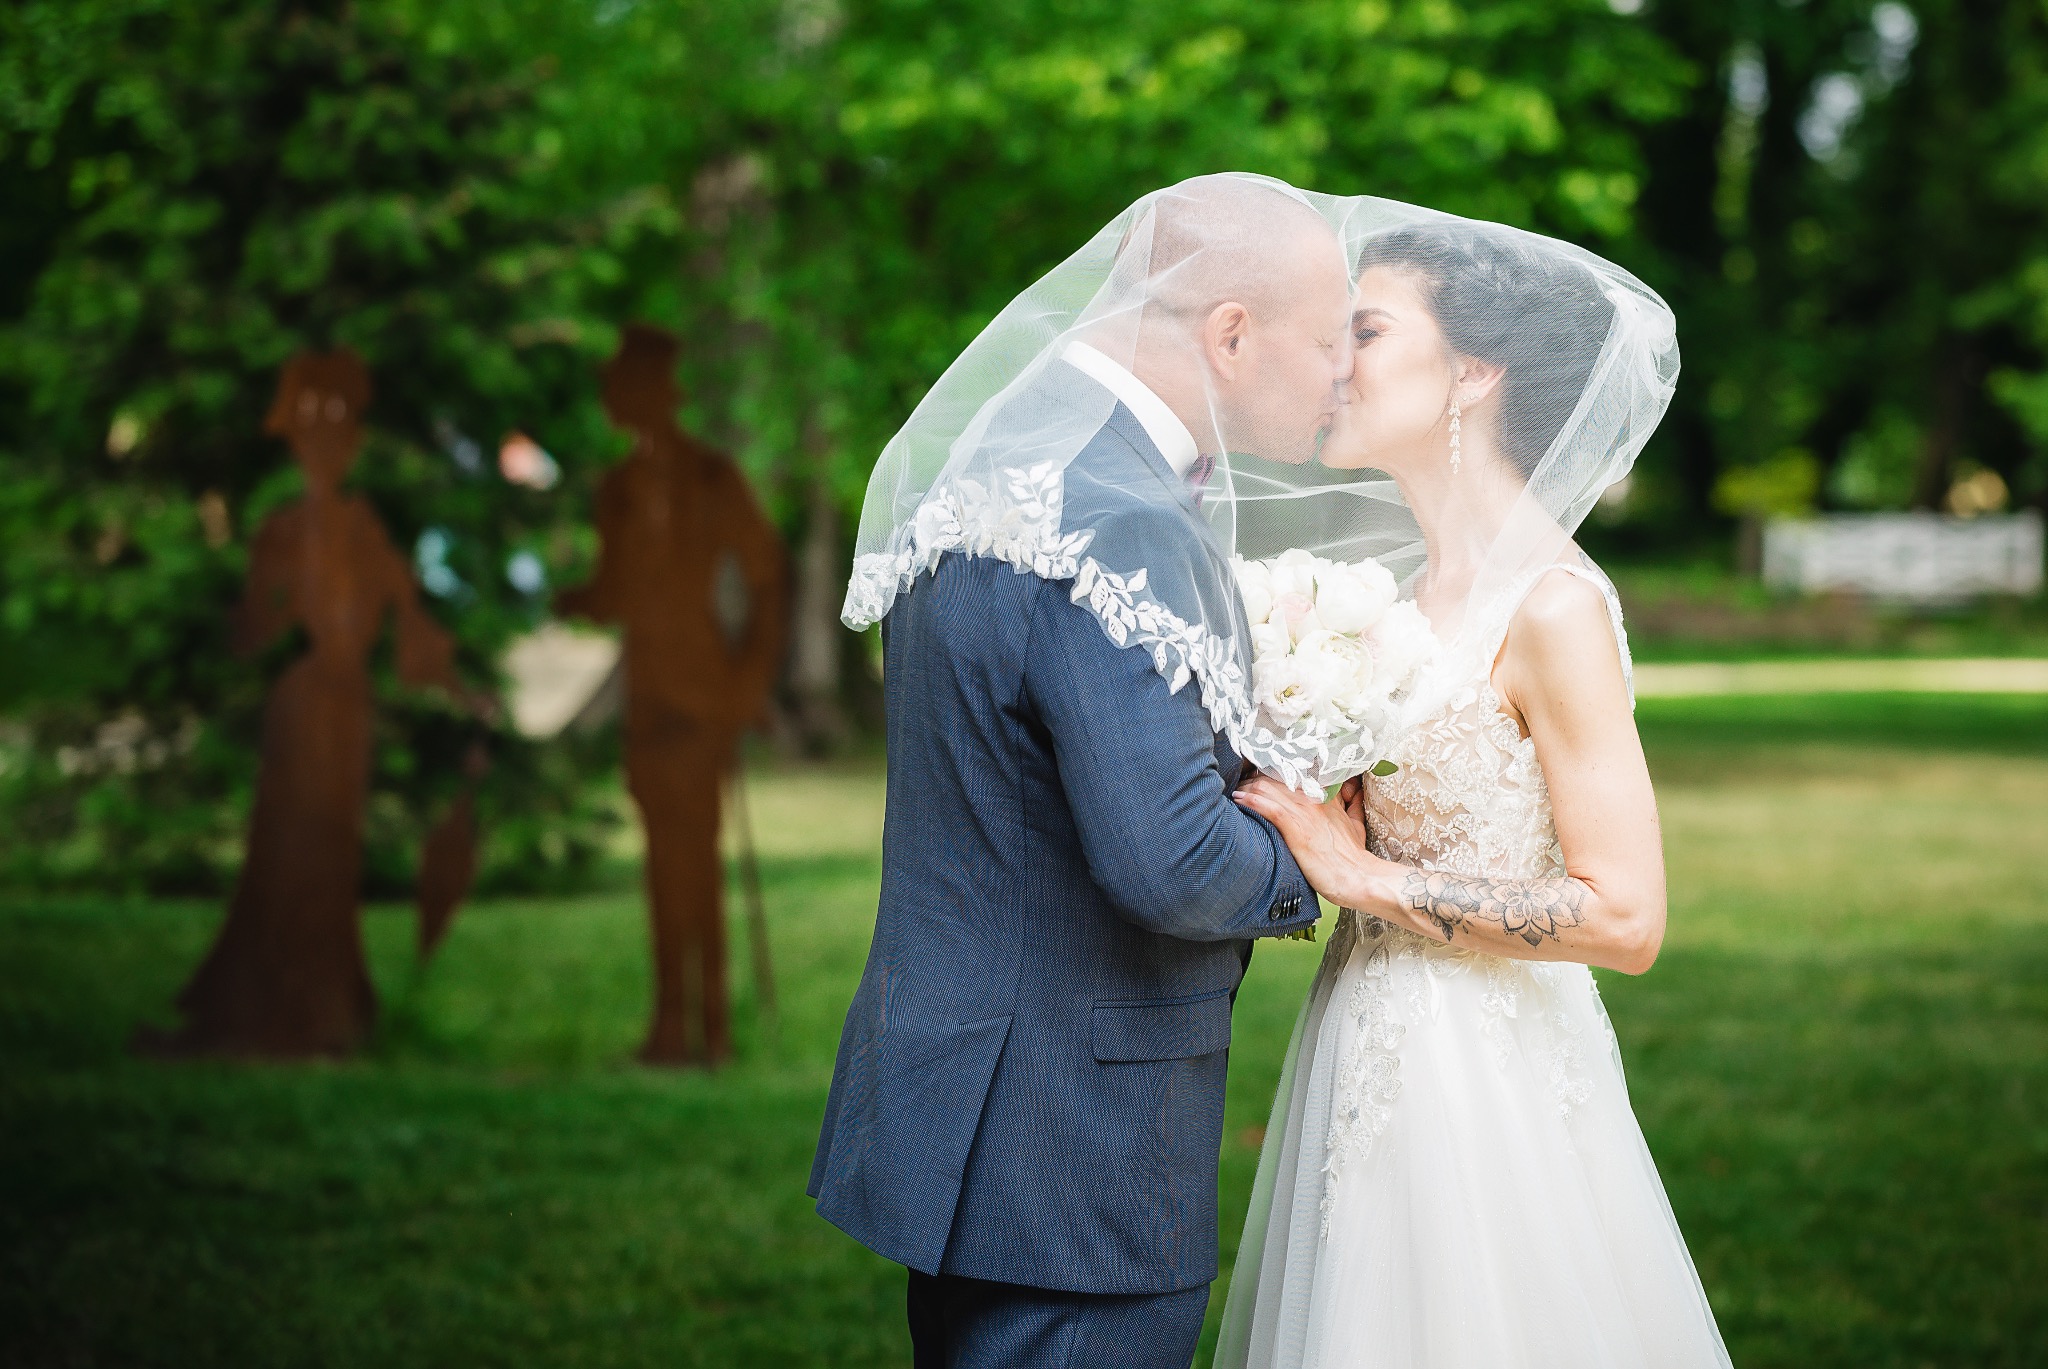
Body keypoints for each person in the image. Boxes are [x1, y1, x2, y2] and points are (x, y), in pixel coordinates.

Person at [810, 174, 1355, 1367]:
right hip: (1075, 1141)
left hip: (965, 1104)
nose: (1341, 375)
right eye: (1325, 340)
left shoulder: (1000, 466)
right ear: (1228, 332)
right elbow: (1171, 863)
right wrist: (1328, 858)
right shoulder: (1121, 515)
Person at [1216, 215, 1732, 1367]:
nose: (1332, 359)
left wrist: (1360, 873)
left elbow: (1624, 916)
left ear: (1472, 371)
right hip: (1360, 1037)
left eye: (1366, 329)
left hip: (1481, 1079)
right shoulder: (1395, 601)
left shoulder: (1550, 606)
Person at [556, 324, 786, 1066]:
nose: (622, 407)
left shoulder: (713, 479)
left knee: (696, 857)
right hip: (648, 695)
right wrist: (580, 597)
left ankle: (711, 1025)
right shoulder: (617, 491)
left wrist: (747, 680)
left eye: (631, 392)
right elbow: (619, 587)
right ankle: (669, 1023)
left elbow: (768, 577)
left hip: (701, 693)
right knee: (663, 860)